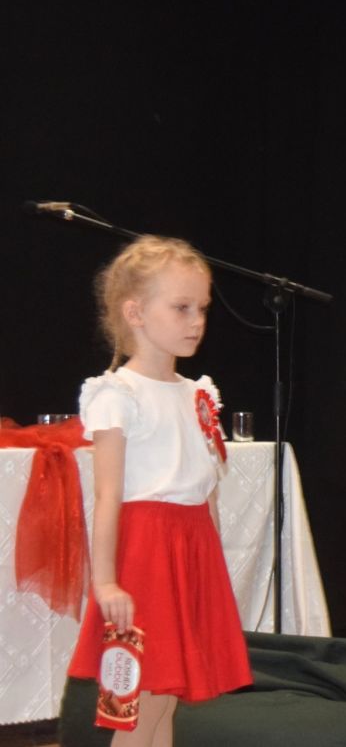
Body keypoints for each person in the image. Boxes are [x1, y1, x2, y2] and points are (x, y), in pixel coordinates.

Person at [68, 235, 252, 746]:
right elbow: (107, 497)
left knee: (166, 700)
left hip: (190, 553)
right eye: (181, 307)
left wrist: (209, 566)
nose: (197, 321)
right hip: (146, 555)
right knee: (141, 699)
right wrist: (106, 583)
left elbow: (206, 489)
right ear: (135, 313)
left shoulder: (197, 393)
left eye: (203, 309)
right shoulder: (117, 395)